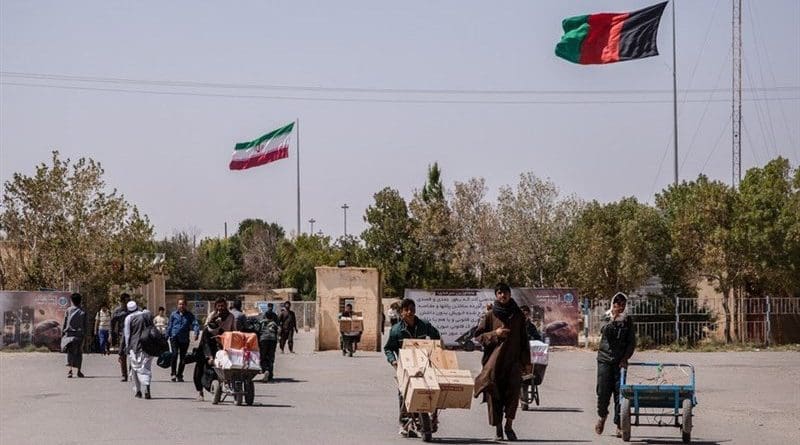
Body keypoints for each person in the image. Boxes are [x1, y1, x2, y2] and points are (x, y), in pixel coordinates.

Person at [473, 283, 531, 442]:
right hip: (494, 364)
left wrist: (527, 362)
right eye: (499, 293)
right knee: (494, 396)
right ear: (496, 295)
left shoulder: (518, 315)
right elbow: (478, 337)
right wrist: (495, 333)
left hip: (513, 363)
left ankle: (509, 426)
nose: (503, 295)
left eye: (505, 293)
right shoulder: (490, 315)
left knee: (513, 396)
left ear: (510, 294)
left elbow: (524, 340)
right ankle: (498, 428)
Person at [383, 298, 441, 438]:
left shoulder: (424, 325)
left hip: (424, 365)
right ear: (401, 312)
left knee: (433, 389)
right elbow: (388, 349)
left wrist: (436, 351)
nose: (410, 312)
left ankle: (433, 417)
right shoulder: (396, 330)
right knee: (403, 393)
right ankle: (404, 423)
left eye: (412, 309)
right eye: (407, 310)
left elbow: (436, 337)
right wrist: (394, 362)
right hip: (405, 368)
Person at [595, 292, 636, 438]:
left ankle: (619, 425)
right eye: (618, 305)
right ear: (613, 305)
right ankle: (602, 416)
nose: (620, 308)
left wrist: (625, 358)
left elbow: (631, 342)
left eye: (623, 305)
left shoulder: (628, 321)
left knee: (621, 395)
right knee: (602, 392)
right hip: (605, 360)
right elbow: (604, 331)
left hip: (620, 363)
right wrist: (613, 319)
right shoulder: (606, 317)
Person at [124, 301, 154, 399]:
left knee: (135, 369)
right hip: (149, 346)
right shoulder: (147, 314)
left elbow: (127, 334)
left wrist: (127, 347)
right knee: (147, 368)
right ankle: (147, 388)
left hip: (135, 347)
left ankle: (138, 391)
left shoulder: (129, 318)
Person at [166, 299, 199, 382]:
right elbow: (170, 325)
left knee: (183, 358)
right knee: (174, 354)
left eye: (183, 304)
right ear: (177, 305)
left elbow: (195, 323)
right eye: (180, 304)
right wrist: (166, 336)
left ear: (185, 305)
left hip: (184, 339)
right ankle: (173, 373)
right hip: (174, 337)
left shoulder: (189, 315)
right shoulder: (173, 314)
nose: (181, 306)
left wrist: (196, 332)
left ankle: (179, 374)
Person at [192, 321, 221, 401]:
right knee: (198, 373)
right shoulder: (206, 332)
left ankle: (215, 390)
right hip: (202, 354)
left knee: (212, 373)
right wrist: (210, 357)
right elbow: (206, 344)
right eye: (213, 331)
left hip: (215, 354)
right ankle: (200, 393)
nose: (214, 333)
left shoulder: (221, 331)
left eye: (216, 331)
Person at [62, 293, 88, 378]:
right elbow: (86, 324)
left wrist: (63, 332)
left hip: (69, 335)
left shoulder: (68, 310)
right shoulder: (83, 311)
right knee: (79, 353)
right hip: (79, 335)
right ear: (80, 301)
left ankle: (69, 370)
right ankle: (79, 371)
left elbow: (65, 322)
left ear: (72, 301)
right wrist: (87, 335)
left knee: (70, 352)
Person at [111, 293, 134, 381]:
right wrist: (111, 335)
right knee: (122, 355)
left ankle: (132, 373)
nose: (128, 302)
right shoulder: (117, 311)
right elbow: (112, 323)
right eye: (126, 300)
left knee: (133, 355)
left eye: (129, 300)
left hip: (132, 335)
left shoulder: (133, 310)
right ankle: (124, 375)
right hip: (122, 335)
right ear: (122, 301)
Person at [257, 310, 279, 382]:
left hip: (263, 340)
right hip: (272, 340)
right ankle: (270, 374)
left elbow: (257, 330)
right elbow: (277, 333)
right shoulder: (274, 324)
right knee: (271, 357)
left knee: (263, 356)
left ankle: (265, 370)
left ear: (265, 316)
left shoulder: (262, 322)